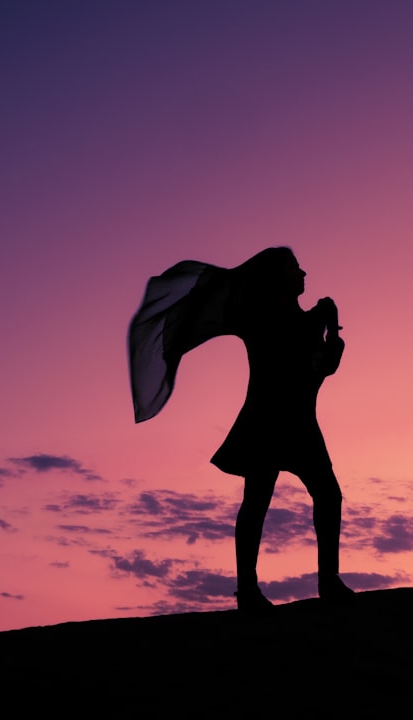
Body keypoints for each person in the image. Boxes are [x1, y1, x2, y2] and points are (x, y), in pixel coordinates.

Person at [128, 247, 355, 611]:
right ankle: (250, 589)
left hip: (298, 423)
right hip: (267, 421)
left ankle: (325, 580)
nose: (303, 273)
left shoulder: (305, 320)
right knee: (259, 503)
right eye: (294, 268)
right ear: (278, 278)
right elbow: (298, 348)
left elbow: (322, 368)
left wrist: (331, 328)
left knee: (325, 496)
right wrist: (324, 322)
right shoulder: (263, 318)